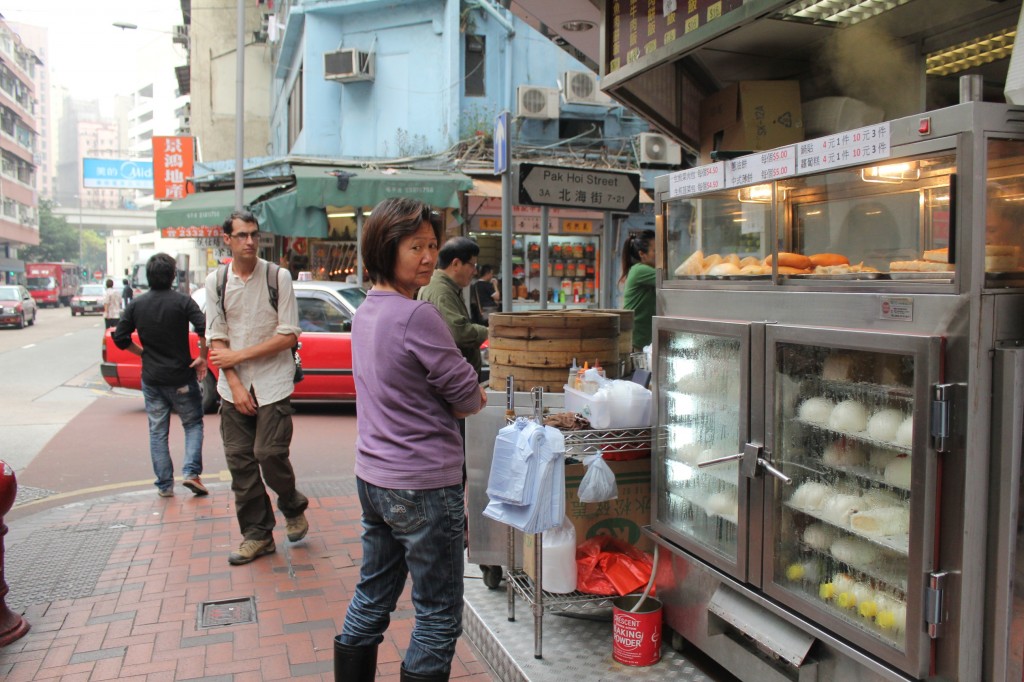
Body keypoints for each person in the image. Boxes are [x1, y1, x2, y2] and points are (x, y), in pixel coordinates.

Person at [335, 198, 486, 682]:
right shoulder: (416, 316)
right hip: (422, 482)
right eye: (414, 245)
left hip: (374, 477)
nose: (427, 256)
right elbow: (470, 398)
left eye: (432, 245)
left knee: (373, 593)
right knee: (438, 614)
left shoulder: (365, 312)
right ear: (386, 247)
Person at [205, 209, 310, 566]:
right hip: (231, 387)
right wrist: (233, 381)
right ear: (228, 240)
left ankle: (292, 504)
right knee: (241, 464)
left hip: (273, 382)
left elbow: (288, 334)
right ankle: (258, 535)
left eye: (254, 234)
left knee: (269, 453)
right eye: (241, 235)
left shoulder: (278, 277)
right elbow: (215, 340)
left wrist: (239, 356)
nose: (250, 241)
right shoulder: (216, 282)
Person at [112, 254, 208, 498]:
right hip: (181, 377)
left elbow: (120, 337)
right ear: (173, 275)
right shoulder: (183, 302)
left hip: (153, 379)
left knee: (157, 432)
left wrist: (142, 353)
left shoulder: (137, 305)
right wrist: (202, 356)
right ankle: (191, 473)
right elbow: (204, 327)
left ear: (148, 276)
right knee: (193, 423)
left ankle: (165, 485)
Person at [416, 236, 488, 380]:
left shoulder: (447, 287)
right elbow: (459, 332)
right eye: (472, 265)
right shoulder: (440, 291)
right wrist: (490, 332)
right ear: (456, 264)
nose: (474, 271)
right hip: (449, 383)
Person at [620, 229, 657, 352]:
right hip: (636, 344)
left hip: (643, 341)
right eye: (655, 251)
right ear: (642, 254)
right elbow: (670, 280)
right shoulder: (640, 270)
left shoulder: (642, 270)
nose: (661, 255)